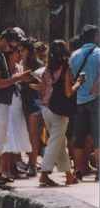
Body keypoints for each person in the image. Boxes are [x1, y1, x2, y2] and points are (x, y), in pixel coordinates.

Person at [0, 28, 33, 186]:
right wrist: (18, 78)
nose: (13, 49)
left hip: (1, 103)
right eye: (12, 45)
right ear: (5, 39)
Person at [39, 39, 80, 187]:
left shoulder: (46, 70)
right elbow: (69, 93)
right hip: (60, 112)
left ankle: (69, 175)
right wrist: (79, 83)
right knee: (55, 142)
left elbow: (42, 90)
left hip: (46, 109)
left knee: (59, 142)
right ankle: (44, 174)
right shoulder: (65, 69)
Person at [69, 24, 100, 181]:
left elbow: (70, 77)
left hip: (79, 100)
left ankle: (78, 170)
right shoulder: (99, 53)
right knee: (97, 135)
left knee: (79, 136)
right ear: (95, 37)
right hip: (96, 99)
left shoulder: (74, 55)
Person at [3, 42, 32, 179]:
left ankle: (13, 167)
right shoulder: (4, 68)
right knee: (9, 137)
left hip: (17, 104)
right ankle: (6, 169)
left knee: (17, 136)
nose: (19, 55)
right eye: (17, 53)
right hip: (8, 105)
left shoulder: (19, 67)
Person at [19, 38, 44, 177]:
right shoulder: (20, 64)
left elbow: (44, 85)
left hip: (34, 102)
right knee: (25, 134)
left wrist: (28, 81)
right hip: (22, 101)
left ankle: (33, 164)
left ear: (28, 50)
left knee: (33, 134)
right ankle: (28, 162)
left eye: (22, 50)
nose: (20, 52)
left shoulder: (38, 65)